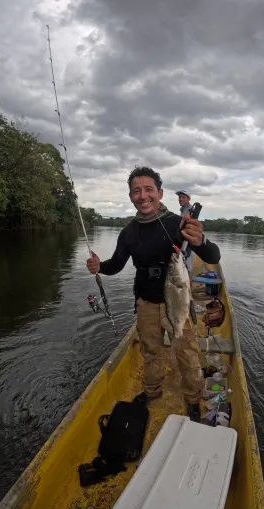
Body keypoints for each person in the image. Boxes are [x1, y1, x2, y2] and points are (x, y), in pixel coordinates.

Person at [86, 167, 221, 422]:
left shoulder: (176, 223)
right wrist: (99, 266)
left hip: (178, 303)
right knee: (150, 352)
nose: (143, 195)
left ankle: (193, 398)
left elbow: (213, 257)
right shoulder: (128, 232)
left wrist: (201, 241)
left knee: (187, 353)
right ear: (130, 196)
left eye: (149, 189)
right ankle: (152, 391)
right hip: (146, 303)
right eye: (136, 191)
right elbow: (116, 264)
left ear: (159, 193)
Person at [175, 190, 195, 273]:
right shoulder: (183, 210)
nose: (180, 199)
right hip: (183, 242)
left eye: (183, 197)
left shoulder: (190, 209)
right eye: (179, 197)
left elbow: (187, 223)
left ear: (188, 199)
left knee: (187, 268)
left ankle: (188, 284)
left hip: (188, 244)